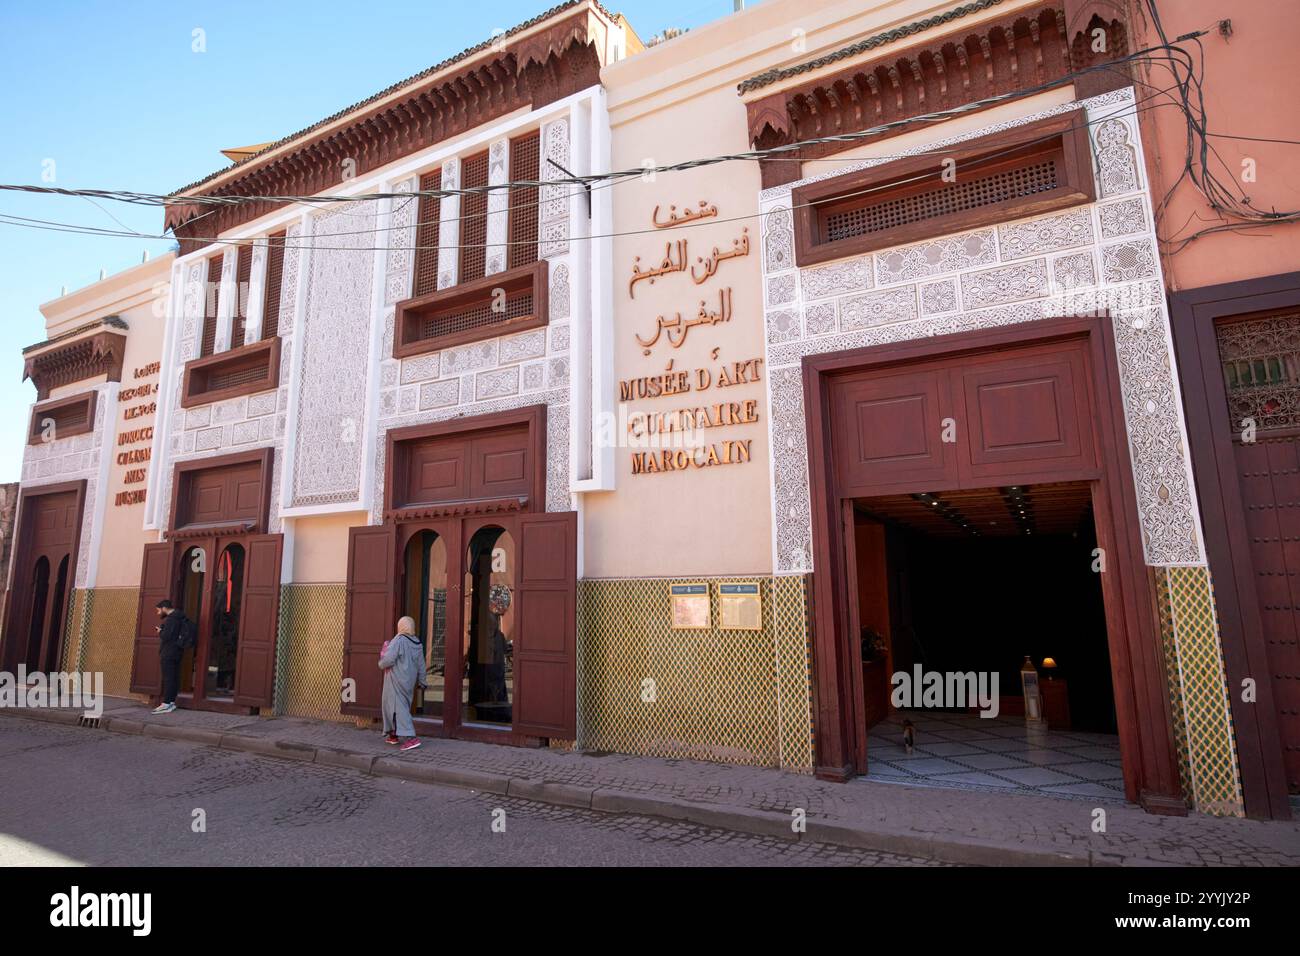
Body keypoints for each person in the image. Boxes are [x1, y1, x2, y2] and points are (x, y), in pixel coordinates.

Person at [380, 616, 427, 751]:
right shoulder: (417, 643)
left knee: (398, 709)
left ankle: (411, 738)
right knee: (398, 708)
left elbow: (388, 659)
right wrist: (422, 681)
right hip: (408, 682)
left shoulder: (398, 641)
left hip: (395, 680)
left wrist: (381, 663)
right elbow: (421, 665)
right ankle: (393, 735)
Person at [152, 599, 190, 715]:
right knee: (174, 677)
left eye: (159, 610)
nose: (158, 613)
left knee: (168, 678)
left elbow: (167, 636)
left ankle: (166, 703)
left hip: (168, 652)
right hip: (177, 651)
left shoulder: (171, 619)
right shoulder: (180, 617)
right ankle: (171, 702)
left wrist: (160, 632)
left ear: (164, 608)